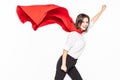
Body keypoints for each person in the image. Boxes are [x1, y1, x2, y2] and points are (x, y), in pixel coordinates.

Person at [54, 5, 106, 80]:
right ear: (79, 22)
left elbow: (93, 21)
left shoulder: (82, 33)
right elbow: (65, 50)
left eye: (86, 22)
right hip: (65, 61)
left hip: (72, 62)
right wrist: (63, 65)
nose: (85, 24)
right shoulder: (74, 34)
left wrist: (101, 11)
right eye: (83, 22)